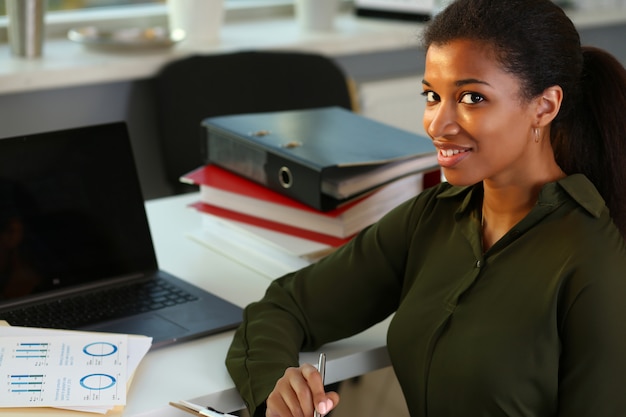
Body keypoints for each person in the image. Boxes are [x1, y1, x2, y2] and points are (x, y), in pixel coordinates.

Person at [225, 0, 626, 416]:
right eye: (432, 96)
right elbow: (283, 307)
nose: (437, 124)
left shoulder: (593, 263)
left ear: (544, 106)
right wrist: (279, 389)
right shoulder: (434, 216)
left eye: (471, 97)